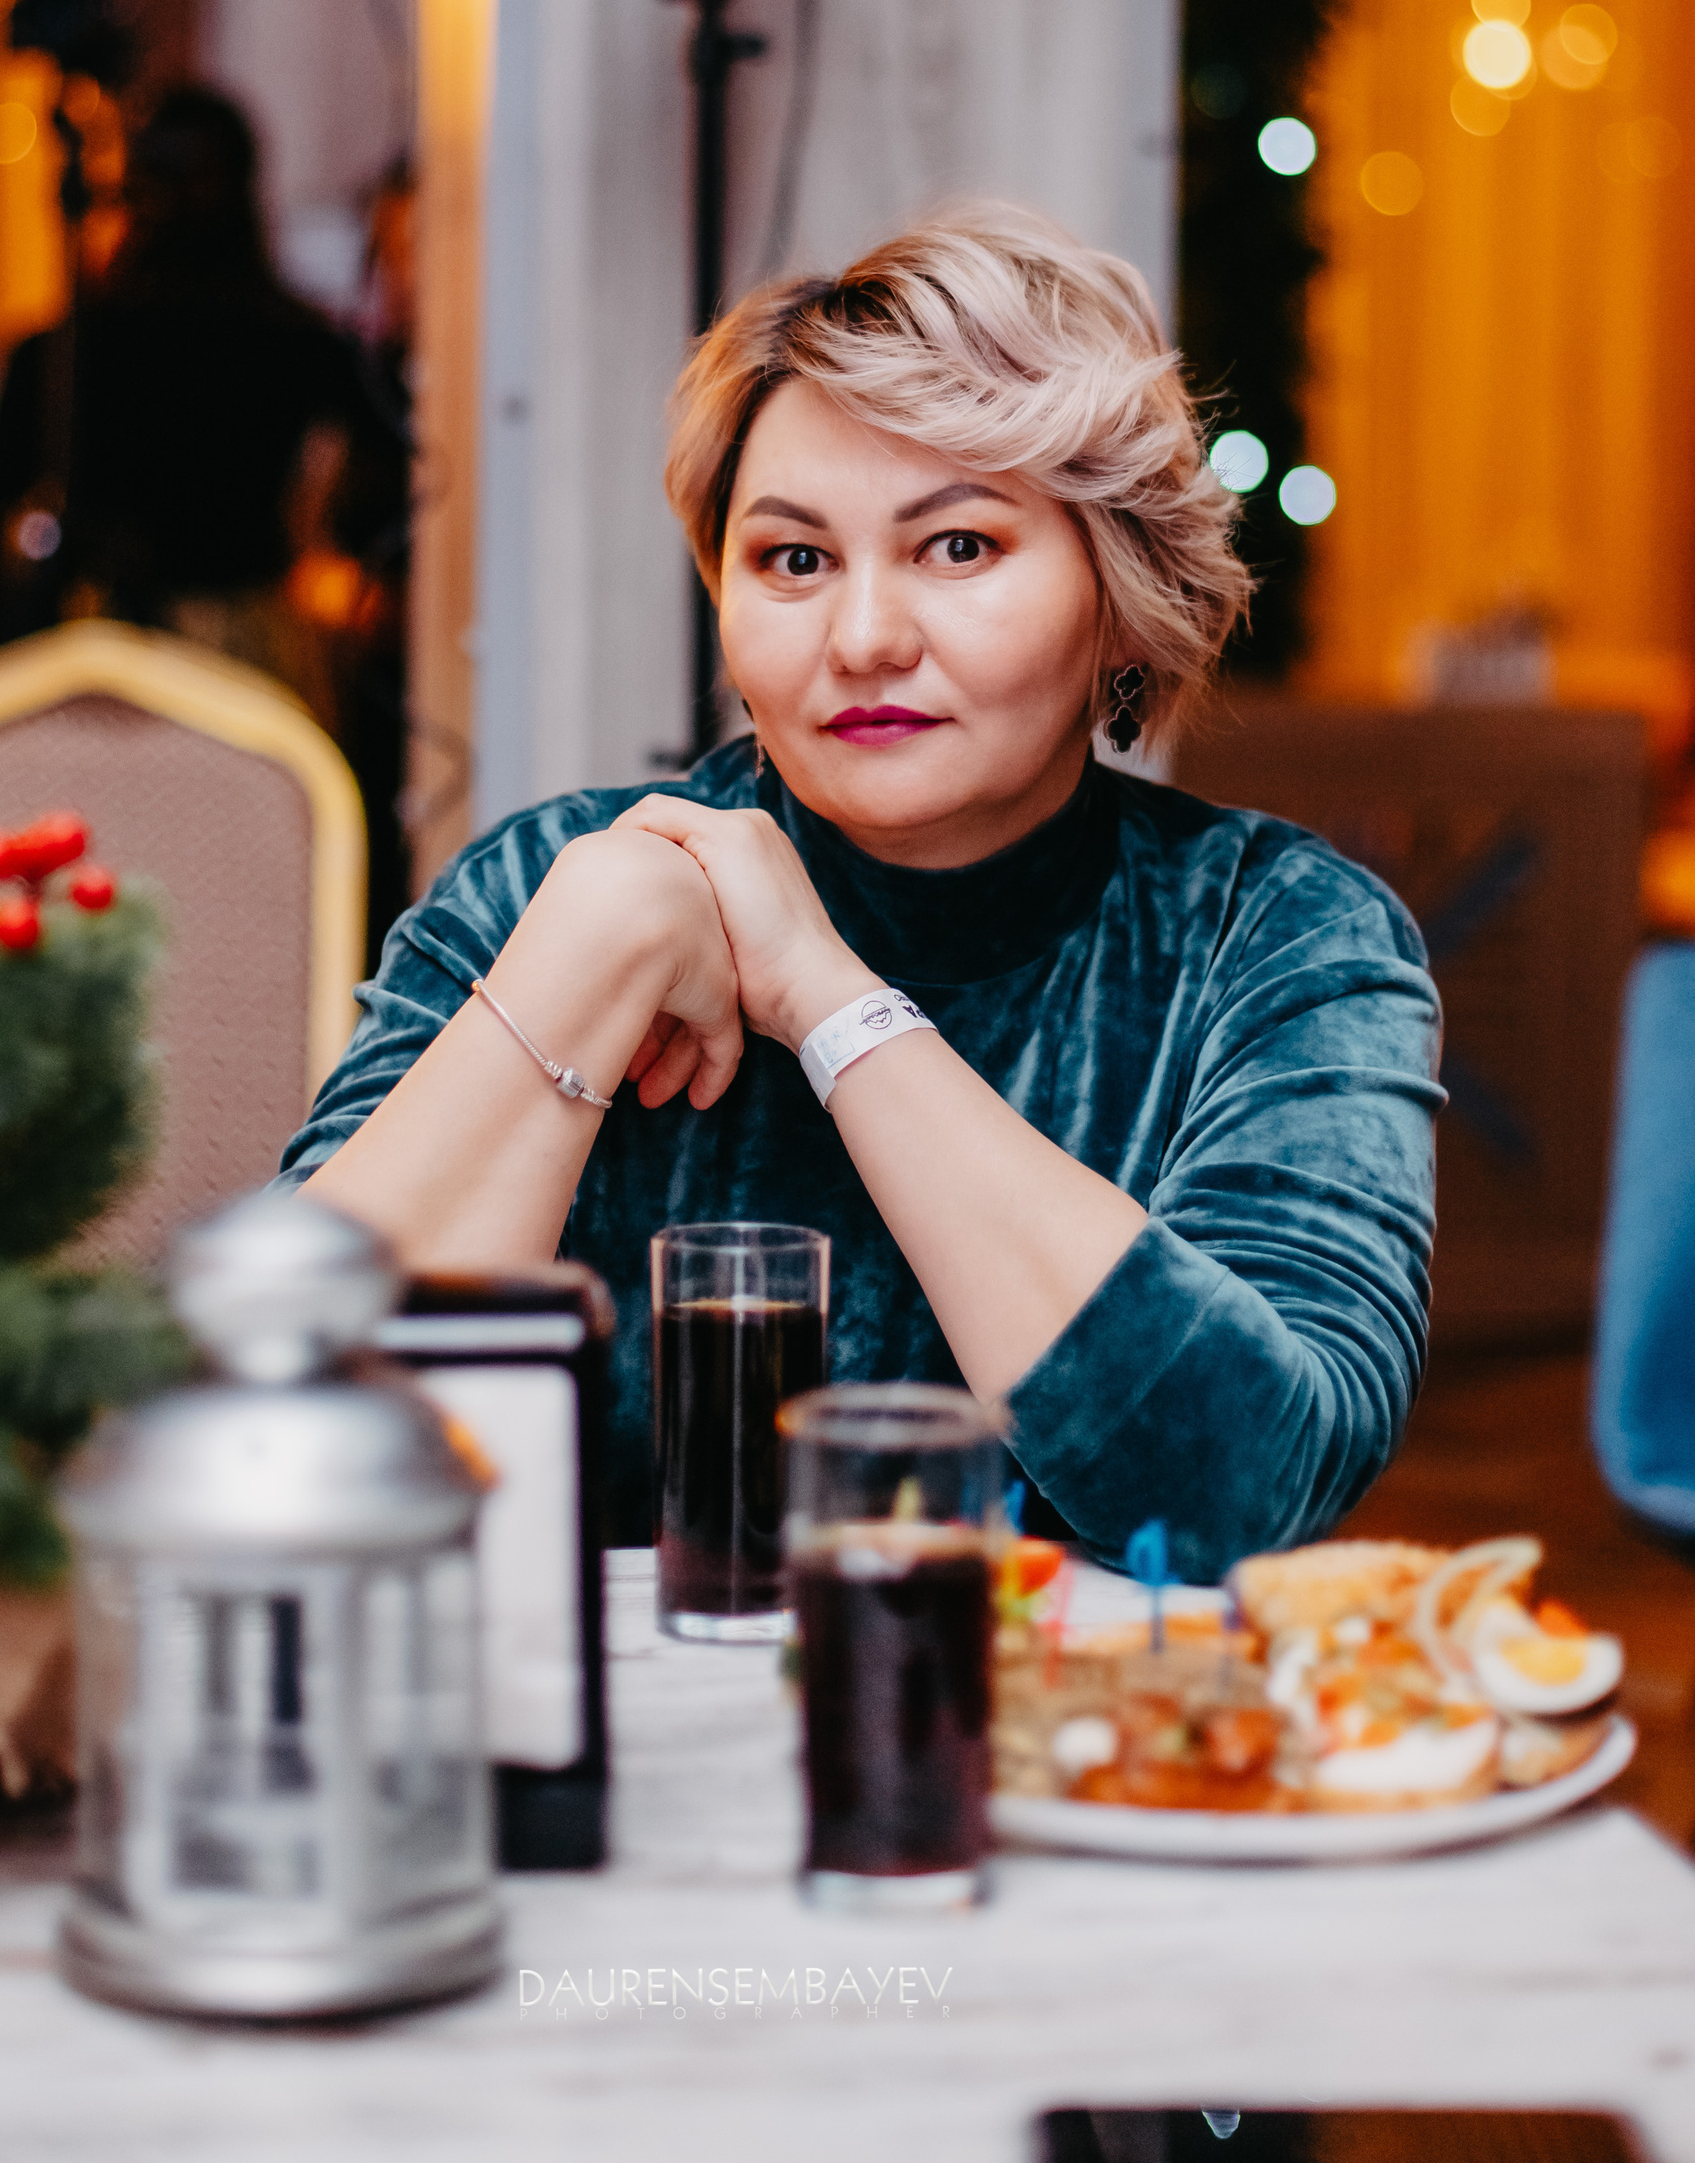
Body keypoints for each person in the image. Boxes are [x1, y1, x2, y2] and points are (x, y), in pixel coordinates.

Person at [282, 202, 1442, 1576]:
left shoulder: (1277, 938)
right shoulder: (552, 890)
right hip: (600, 1709)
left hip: (1070, 1715)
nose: (866, 637)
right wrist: (596, 946)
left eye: (959, 547)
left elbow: (1244, 1486)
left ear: (1121, 594)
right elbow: (286, 1436)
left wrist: (827, 997)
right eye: (795, 559)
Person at [0, 84, 363, 726]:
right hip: (249, 649)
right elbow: (338, 512)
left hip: (102, 646)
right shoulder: (308, 344)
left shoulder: (61, 352)